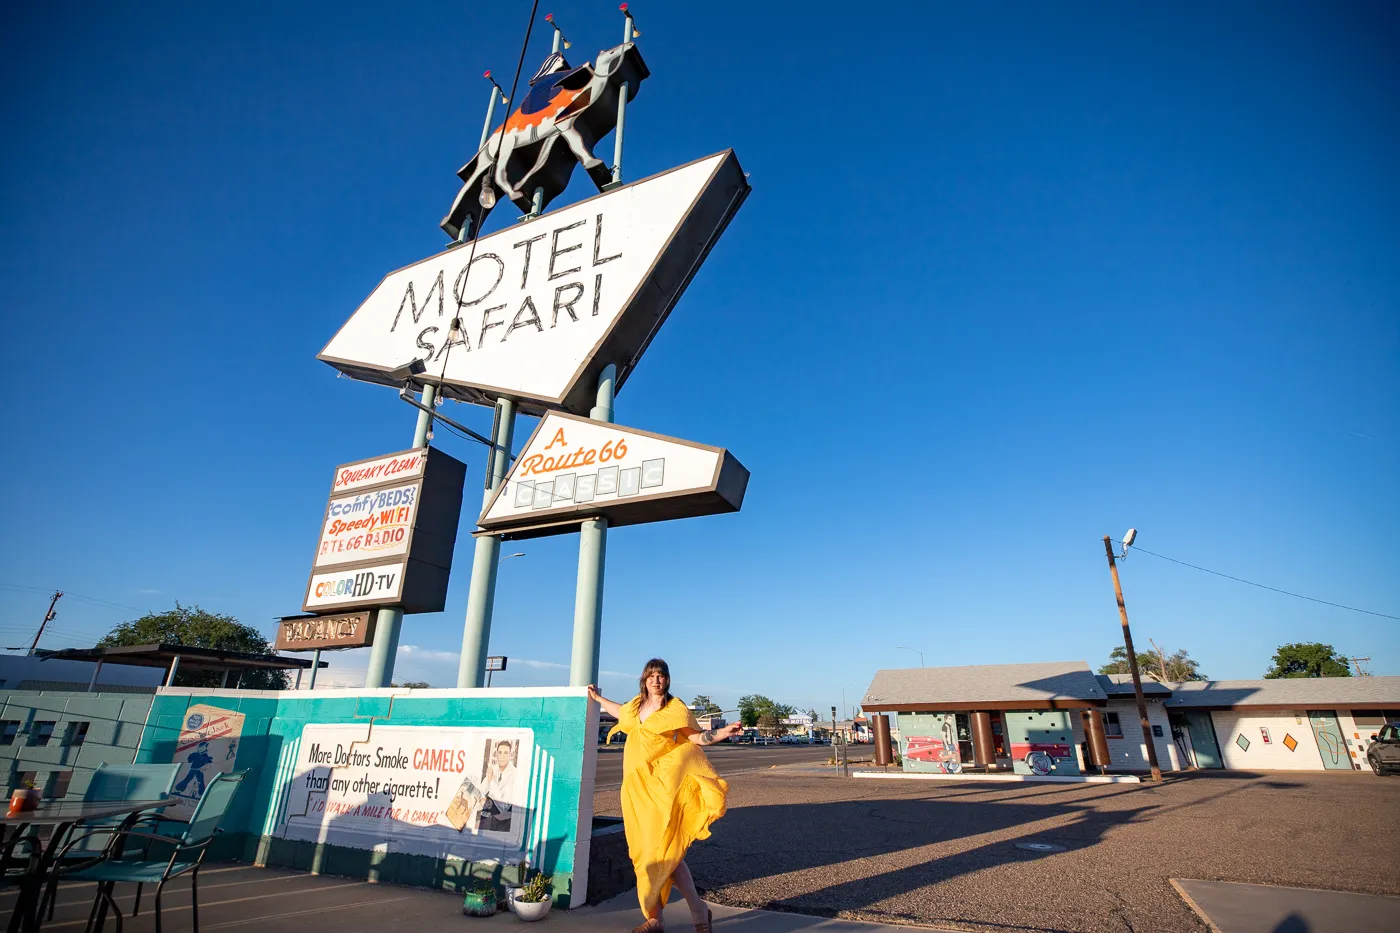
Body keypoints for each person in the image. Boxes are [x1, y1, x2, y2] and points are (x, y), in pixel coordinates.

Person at [588, 659, 744, 933]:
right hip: (635, 791)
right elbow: (617, 712)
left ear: (667, 680)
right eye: (651, 675)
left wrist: (722, 733)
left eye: (661, 676)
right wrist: (597, 697)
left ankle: (689, 913)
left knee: (667, 851)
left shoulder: (675, 709)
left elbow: (696, 738)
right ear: (644, 679)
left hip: (660, 788)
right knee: (644, 854)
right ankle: (660, 919)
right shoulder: (635, 706)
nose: (656, 680)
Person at [476, 739, 518, 832]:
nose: (502, 756)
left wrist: (491, 781)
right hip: (491, 817)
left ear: (510, 755)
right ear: (497, 754)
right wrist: (482, 799)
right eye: (500, 752)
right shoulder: (494, 769)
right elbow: (482, 789)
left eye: (506, 753)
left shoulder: (514, 774)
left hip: (505, 822)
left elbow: (504, 807)